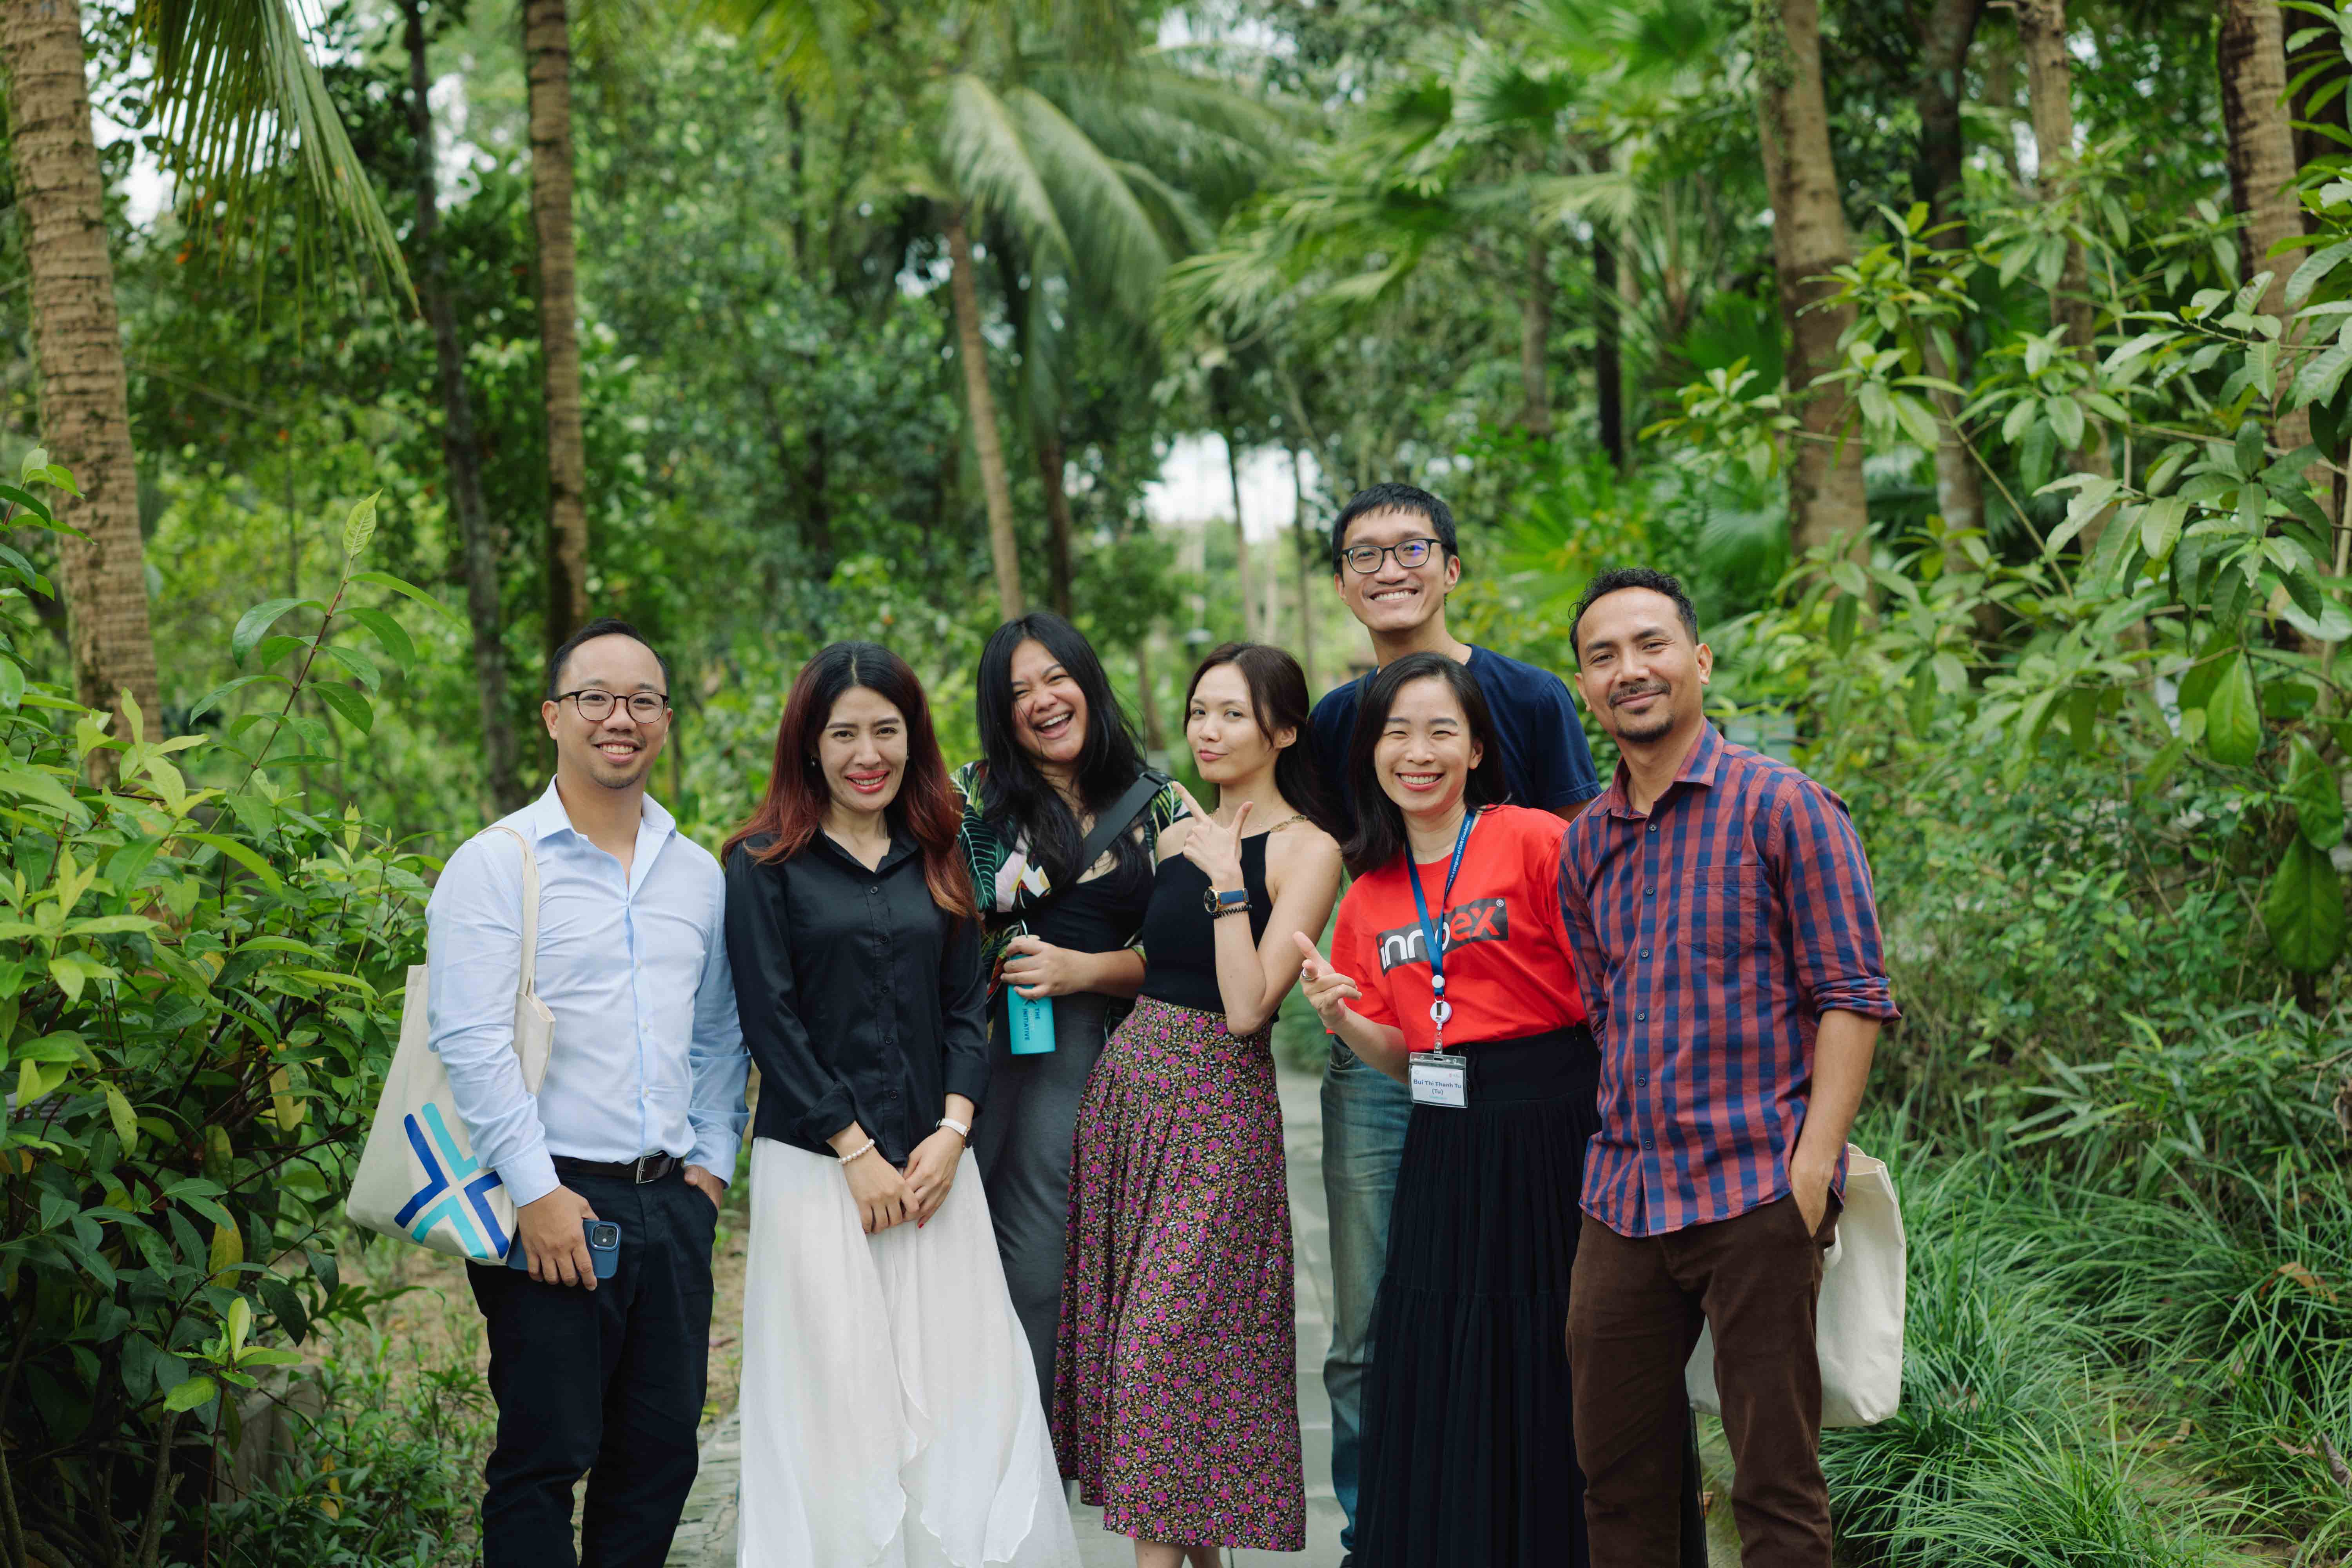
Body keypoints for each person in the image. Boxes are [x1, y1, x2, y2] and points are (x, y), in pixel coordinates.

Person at [1304, 482, 1627, 1565]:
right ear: (1342, 582)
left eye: (1413, 548)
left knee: (1556, 1315)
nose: (1389, 569)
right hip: (1417, 1062)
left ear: (1451, 565)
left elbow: (1596, 891)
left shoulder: (1528, 708)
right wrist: (1331, 999)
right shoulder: (1337, 728)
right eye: (1365, 554)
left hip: (1542, 1076)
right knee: (1390, 1321)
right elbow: (1331, 856)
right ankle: (1393, 1534)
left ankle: (1572, 1527)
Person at [1557, 569, 1898, 1567]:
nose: (1630, 670)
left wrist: (1811, 1169)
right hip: (1623, 1198)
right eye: (1604, 656)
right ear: (1584, 687)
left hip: (1757, 1190)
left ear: (1699, 660)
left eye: (1651, 644)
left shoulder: (1785, 807)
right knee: (1617, 1479)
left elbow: (1853, 995)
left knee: (1775, 1485)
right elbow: (1603, 1007)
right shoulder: (1586, 845)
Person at [722, 642, 1080, 1568]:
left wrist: (955, 1131)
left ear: (913, 737)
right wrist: (853, 1147)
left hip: (934, 1170)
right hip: (817, 1171)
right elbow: (771, 1021)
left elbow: (966, 1007)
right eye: (843, 733)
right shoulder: (762, 863)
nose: (867, 753)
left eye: (886, 729)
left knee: (965, 1389)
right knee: (835, 1397)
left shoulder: (942, 850)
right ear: (809, 745)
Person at [428, 617, 748, 1568]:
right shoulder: (498, 861)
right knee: (545, 1456)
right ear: (553, 716)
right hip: (550, 1200)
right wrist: (536, 1191)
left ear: (666, 720)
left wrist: (710, 1170)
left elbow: (718, 1033)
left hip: (672, 1203)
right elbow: (472, 1040)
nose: (621, 717)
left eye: (643, 700)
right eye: (596, 697)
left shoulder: (698, 873)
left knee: (658, 1457)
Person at [1054, 644, 1345, 1568]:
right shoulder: (1175, 830)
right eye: (1198, 711)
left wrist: (1228, 881)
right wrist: (1072, 963)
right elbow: (1157, 963)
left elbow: (1249, 1006)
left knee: (1162, 1352)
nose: (1207, 731)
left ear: (1284, 730)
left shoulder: (1309, 849)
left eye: (1232, 713)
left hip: (1220, 1114)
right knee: (1156, 1359)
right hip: (1132, 1098)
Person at [955, 613, 1187, 1402]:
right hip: (988, 1049)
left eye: (1057, 677)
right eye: (1020, 690)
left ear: (1087, 683)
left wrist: (1081, 969)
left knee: (1081, 1262)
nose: (1043, 700)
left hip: (1113, 1057)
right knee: (998, 1250)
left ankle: (1070, 1439)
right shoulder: (967, 798)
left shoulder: (1160, 804)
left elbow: (1191, 956)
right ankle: (1004, 1435)